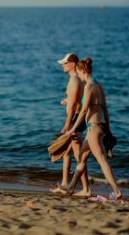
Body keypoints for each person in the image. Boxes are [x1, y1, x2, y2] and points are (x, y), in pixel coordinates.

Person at [62, 57, 122, 200]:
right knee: (82, 158)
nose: (80, 77)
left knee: (101, 160)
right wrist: (108, 130)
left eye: (79, 72)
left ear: (83, 71)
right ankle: (71, 187)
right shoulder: (98, 85)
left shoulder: (89, 86)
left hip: (93, 128)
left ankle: (117, 192)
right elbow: (105, 109)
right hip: (98, 126)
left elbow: (83, 111)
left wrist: (72, 129)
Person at [49, 53, 91, 196]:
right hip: (77, 119)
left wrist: (67, 125)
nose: (62, 65)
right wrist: (67, 101)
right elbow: (77, 100)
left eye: (65, 63)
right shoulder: (79, 80)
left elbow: (74, 105)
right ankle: (65, 184)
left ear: (73, 64)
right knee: (66, 153)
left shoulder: (74, 80)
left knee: (79, 155)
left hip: (75, 121)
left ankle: (86, 189)